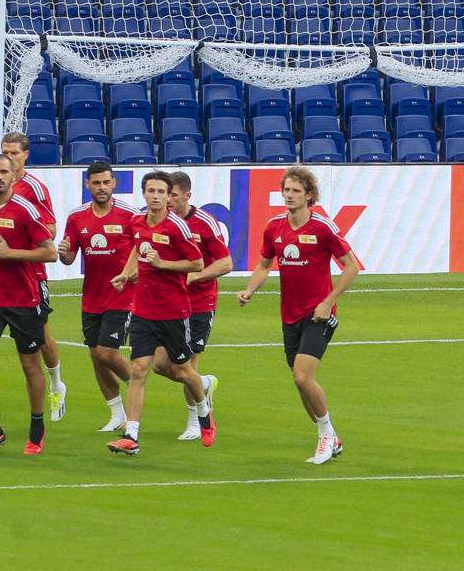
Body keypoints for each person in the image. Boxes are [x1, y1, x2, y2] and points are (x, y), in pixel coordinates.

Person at [237, 166, 364, 464]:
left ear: (309, 195)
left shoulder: (322, 228)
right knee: (299, 382)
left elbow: (351, 267)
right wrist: (250, 290)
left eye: (295, 190)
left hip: (320, 314)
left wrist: (328, 301)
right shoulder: (274, 227)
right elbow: (265, 264)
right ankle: (331, 435)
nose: (289, 195)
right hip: (289, 315)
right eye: (286, 190)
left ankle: (325, 438)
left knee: (302, 375)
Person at [0, 131, 66, 425]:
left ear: (25, 156)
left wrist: (14, 248)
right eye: (4, 152)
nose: (9, 158)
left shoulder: (33, 189)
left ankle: (57, 384)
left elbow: (50, 231)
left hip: (31, 275)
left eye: (14, 154)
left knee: (42, 336)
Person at [105, 171, 212, 455]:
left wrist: (163, 264)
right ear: (144, 194)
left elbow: (197, 263)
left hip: (174, 311)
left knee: (183, 370)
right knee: (139, 370)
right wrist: (126, 275)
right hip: (143, 310)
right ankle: (131, 435)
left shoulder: (177, 227)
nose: (155, 196)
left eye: (160, 192)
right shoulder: (137, 223)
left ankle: (203, 410)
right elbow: (138, 251)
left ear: (168, 196)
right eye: (150, 191)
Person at [57, 160, 139, 434]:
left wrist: (131, 273)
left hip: (122, 295)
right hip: (92, 297)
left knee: (107, 352)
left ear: (114, 183)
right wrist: (64, 251)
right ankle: (117, 413)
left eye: (106, 182)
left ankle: (136, 385)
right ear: (87, 185)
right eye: (96, 183)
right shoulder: (77, 217)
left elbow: (143, 248)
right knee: (96, 356)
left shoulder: (130, 215)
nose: (102, 187)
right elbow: (69, 259)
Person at [169, 171, 229, 442]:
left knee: (187, 363)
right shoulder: (160, 222)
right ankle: (204, 384)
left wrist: (196, 276)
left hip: (199, 303)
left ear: (187, 195)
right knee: (162, 365)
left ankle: (196, 420)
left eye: (173, 195)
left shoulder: (205, 223)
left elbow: (225, 263)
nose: (168, 200)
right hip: (167, 302)